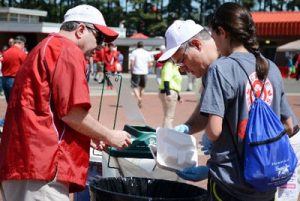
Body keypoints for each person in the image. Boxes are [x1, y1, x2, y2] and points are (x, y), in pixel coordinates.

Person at [0, 4, 131, 201]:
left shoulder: (45, 46)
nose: (100, 47)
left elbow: (51, 107)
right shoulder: (67, 49)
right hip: (42, 163)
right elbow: (72, 112)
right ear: (80, 30)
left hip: (26, 160)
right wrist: (110, 135)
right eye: (100, 38)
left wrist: (92, 134)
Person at [200, 3, 295, 200]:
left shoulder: (220, 69)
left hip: (230, 182)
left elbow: (215, 130)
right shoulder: (272, 68)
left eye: (214, 35)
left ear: (222, 31)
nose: (215, 42)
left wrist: (208, 137)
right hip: (267, 183)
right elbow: (289, 126)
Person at [157, 19, 219, 181]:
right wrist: (187, 127)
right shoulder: (209, 73)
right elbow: (206, 111)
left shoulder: (228, 67)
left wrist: (213, 168)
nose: (183, 70)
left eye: (182, 61)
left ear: (197, 44)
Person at [1, 35, 27, 102]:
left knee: (9, 103)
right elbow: (27, 67)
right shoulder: (21, 53)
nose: (23, 47)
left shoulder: (5, 52)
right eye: (24, 45)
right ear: (21, 43)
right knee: (16, 103)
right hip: (14, 80)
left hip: (4, 80)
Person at [158, 60, 182, 128]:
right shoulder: (169, 65)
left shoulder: (174, 66)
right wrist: (168, 93)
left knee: (168, 116)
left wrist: (178, 97)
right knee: (169, 117)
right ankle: (167, 133)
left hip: (172, 91)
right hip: (168, 91)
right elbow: (166, 79)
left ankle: (165, 133)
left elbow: (175, 83)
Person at [130, 41, 152, 108]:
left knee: (134, 86)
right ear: (143, 46)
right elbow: (150, 63)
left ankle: (139, 98)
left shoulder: (134, 52)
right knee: (142, 87)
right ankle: (140, 99)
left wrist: (131, 70)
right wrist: (147, 68)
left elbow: (132, 62)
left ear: (137, 45)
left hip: (136, 71)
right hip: (144, 72)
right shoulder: (147, 53)